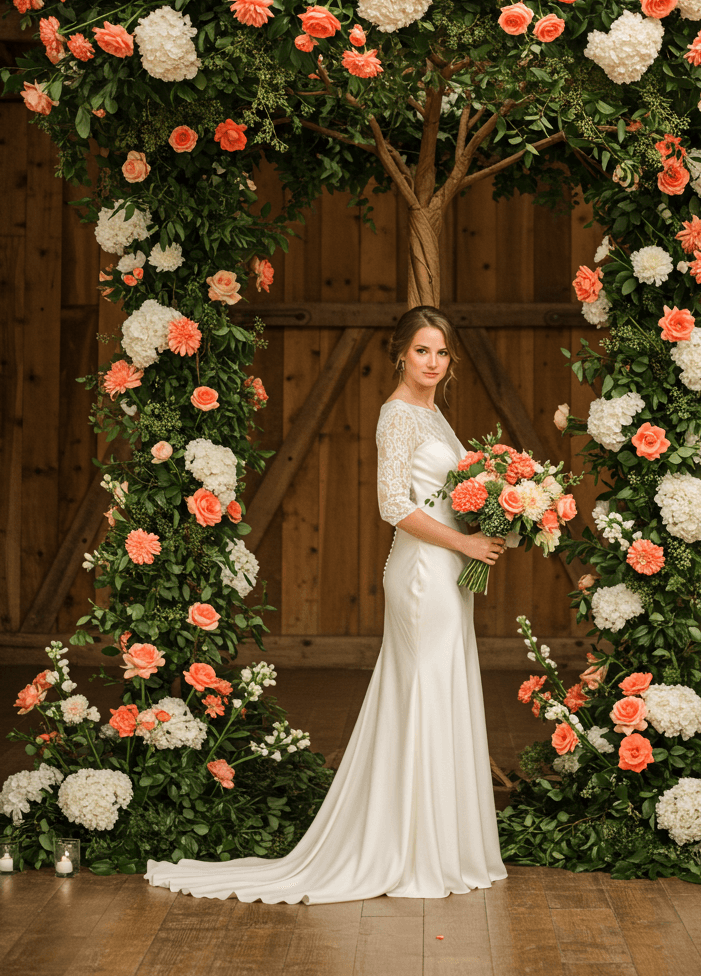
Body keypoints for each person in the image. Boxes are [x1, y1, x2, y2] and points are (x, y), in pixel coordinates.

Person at [145, 304, 508, 903]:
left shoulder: (435, 414)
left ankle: (441, 843)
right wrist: (464, 540)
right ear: (399, 352)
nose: (433, 362)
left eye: (442, 353)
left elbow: (448, 494)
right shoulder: (397, 416)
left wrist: (500, 514)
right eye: (422, 350)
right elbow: (394, 504)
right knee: (420, 694)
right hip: (422, 573)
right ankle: (411, 851)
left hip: (448, 571)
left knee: (441, 691)